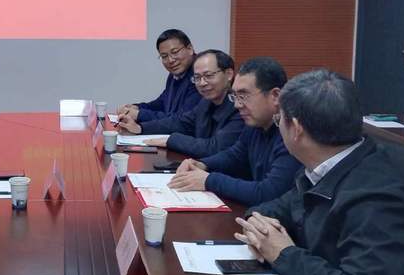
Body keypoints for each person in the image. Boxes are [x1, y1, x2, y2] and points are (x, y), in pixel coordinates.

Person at [235, 69, 404, 275]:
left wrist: (283, 254)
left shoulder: (378, 198)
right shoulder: (323, 165)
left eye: (279, 119)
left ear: (296, 129)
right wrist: (258, 225)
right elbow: (276, 207)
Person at [169, 57, 301, 206]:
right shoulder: (255, 123)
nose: (237, 104)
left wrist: (209, 180)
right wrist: (202, 164)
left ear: (275, 96)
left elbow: (268, 193)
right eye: (235, 96)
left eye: (243, 96)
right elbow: (235, 155)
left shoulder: (293, 133)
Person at [118, 49, 243, 158]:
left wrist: (170, 140)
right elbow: (181, 123)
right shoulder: (206, 102)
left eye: (208, 76)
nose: (202, 83)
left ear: (229, 74)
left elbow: (214, 148)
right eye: (197, 78)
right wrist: (140, 128)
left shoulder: (240, 107)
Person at [117, 28, 201, 123]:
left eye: (175, 52)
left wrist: (139, 115)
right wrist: (137, 107)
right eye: (164, 56)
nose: (170, 60)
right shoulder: (175, 73)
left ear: (190, 49)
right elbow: (162, 103)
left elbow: (182, 120)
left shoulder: (201, 75)